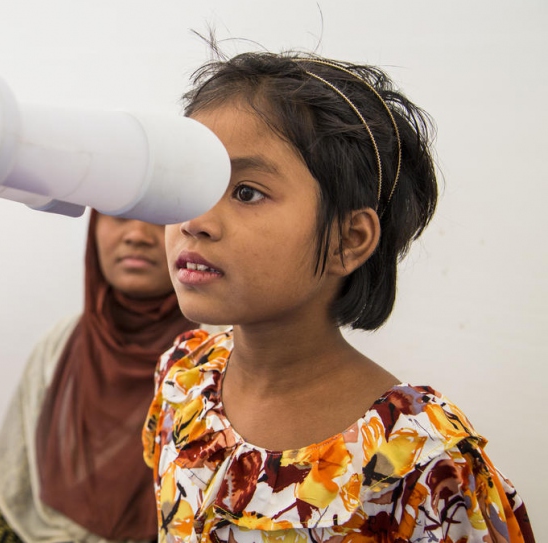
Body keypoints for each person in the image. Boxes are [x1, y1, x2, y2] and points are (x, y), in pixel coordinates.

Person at [142, 49, 534, 540]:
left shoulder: (419, 459)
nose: (194, 221)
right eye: (189, 183)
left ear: (348, 240)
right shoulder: (183, 376)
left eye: (246, 192)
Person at [0, 211, 197, 543]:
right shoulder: (61, 344)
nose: (137, 235)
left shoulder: (215, 356)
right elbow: (11, 492)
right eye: (118, 216)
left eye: (159, 218)